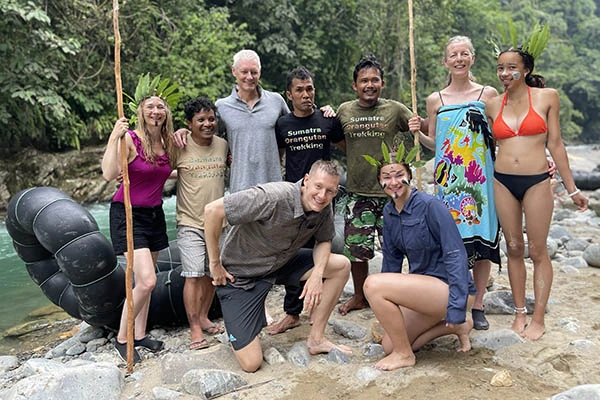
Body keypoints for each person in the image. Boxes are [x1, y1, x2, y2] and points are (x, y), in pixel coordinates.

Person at [203, 160, 352, 372]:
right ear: (306, 181)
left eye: (330, 191)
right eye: (318, 187)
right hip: (240, 276)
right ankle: (240, 325)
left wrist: (317, 275)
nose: (322, 195)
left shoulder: (323, 206)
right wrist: (215, 263)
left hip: (280, 263)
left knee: (341, 265)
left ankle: (316, 339)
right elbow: (212, 211)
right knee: (251, 363)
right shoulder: (272, 196)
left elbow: (324, 240)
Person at [485, 46, 588, 340]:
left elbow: (556, 144)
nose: (505, 73)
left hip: (538, 181)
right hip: (502, 181)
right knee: (514, 247)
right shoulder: (492, 104)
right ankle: (520, 312)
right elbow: (486, 147)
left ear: (526, 70)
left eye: (511, 67)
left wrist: (572, 189)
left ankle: (538, 317)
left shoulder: (547, 97)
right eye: (500, 68)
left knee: (538, 250)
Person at [417, 36, 500, 331]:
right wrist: (419, 131)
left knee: (481, 239)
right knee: (452, 243)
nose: (459, 59)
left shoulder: (487, 94)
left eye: (465, 53)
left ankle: (477, 306)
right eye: (454, 54)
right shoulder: (435, 99)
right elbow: (434, 144)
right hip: (448, 181)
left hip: (480, 180)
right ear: (446, 61)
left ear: (473, 58)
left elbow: (499, 133)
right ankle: (458, 300)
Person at [363, 156, 475, 371]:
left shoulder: (430, 206)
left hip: (451, 289)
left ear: (409, 176)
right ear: (380, 182)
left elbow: (455, 254)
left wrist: (456, 305)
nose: (393, 182)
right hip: (424, 291)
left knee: (372, 284)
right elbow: (391, 260)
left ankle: (405, 355)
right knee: (389, 344)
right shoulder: (389, 212)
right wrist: (392, 307)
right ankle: (458, 328)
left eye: (399, 175)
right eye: (387, 177)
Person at [336, 55, 426, 315]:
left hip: (391, 194)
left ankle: (393, 295)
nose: (369, 85)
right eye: (364, 80)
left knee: (395, 247)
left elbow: (421, 128)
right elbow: (337, 139)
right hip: (356, 193)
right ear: (355, 85)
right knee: (356, 250)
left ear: (382, 83)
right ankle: (360, 297)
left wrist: (418, 124)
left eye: (374, 80)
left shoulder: (394, 109)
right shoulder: (345, 110)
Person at [268, 66, 345, 335]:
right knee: (294, 253)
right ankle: (292, 313)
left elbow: (346, 147)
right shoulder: (283, 125)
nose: (305, 94)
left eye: (309, 88)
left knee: (323, 251)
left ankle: (319, 309)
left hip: (323, 199)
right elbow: (276, 157)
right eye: (299, 90)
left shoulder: (327, 119)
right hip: (295, 198)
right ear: (289, 94)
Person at [101, 91, 175, 363]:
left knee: (146, 280)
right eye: (150, 107)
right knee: (147, 280)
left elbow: (165, 170)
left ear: (165, 113)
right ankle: (123, 339)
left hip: (154, 215)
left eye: (160, 107)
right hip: (128, 214)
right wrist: (114, 136)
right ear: (141, 112)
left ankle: (140, 333)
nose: (156, 111)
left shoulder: (167, 144)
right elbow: (109, 173)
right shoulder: (130, 139)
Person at [170, 97, 228, 350]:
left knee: (212, 273)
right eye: (201, 120)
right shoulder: (179, 147)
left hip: (219, 223)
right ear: (189, 124)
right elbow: (157, 168)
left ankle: (204, 316)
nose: (207, 124)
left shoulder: (223, 145)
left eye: (211, 119)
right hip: (190, 222)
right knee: (192, 275)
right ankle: (194, 328)